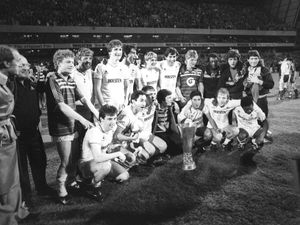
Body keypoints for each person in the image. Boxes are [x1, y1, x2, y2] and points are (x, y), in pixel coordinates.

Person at [45, 49, 98, 205]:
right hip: (61, 125)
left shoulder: (70, 79)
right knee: (66, 160)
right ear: (58, 63)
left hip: (72, 123)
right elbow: (61, 106)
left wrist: (96, 112)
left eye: (72, 61)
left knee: (74, 157)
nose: (72, 64)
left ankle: (71, 181)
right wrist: (82, 119)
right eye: (68, 61)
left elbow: (83, 98)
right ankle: (61, 188)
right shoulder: (53, 78)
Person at [11, 55, 54, 210]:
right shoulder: (10, 84)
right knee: (21, 169)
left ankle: (42, 188)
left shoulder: (31, 82)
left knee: (39, 161)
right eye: (21, 65)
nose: (25, 68)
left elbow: (45, 88)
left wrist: (49, 75)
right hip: (17, 135)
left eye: (26, 65)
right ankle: (26, 197)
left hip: (34, 132)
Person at [0, 45, 30, 225]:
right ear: (5, 62)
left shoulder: (6, 80)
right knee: (4, 179)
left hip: (7, 134)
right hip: (2, 137)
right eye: (17, 60)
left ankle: (13, 212)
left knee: (11, 177)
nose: (20, 64)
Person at [78, 105, 127, 200]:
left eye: (114, 118)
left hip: (102, 161)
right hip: (86, 163)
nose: (113, 122)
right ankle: (91, 186)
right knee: (105, 167)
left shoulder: (110, 128)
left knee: (124, 176)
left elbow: (106, 147)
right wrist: (118, 154)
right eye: (109, 119)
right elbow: (98, 157)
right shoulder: (95, 131)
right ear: (101, 119)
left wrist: (118, 148)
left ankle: (100, 176)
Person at [94, 39, 129, 110]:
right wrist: (103, 105)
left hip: (120, 106)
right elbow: (97, 89)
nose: (118, 52)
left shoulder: (124, 67)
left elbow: (126, 87)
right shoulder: (101, 66)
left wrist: (125, 102)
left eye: (120, 49)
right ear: (110, 52)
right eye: (115, 49)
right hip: (107, 105)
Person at [232, 96, 268, 165]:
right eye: (246, 110)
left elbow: (265, 122)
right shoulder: (236, 106)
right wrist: (234, 126)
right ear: (241, 107)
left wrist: (261, 136)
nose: (249, 111)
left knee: (265, 137)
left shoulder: (257, 109)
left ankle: (252, 142)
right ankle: (242, 143)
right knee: (242, 135)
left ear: (252, 105)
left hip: (254, 128)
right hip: (243, 128)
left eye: (250, 109)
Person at [72, 48, 95, 147]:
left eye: (90, 58)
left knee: (88, 139)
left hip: (88, 109)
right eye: (86, 58)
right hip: (77, 110)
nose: (88, 61)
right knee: (78, 141)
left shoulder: (90, 72)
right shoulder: (72, 74)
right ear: (78, 59)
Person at [243, 50, 274, 117]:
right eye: (251, 59)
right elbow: (242, 85)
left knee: (262, 121)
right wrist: (247, 83)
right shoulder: (245, 70)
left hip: (261, 100)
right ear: (248, 59)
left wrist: (259, 81)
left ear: (259, 59)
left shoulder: (264, 70)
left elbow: (271, 85)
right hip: (249, 100)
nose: (253, 61)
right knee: (249, 122)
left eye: (256, 59)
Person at [153, 89, 181, 156]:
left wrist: (175, 103)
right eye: (169, 98)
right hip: (158, 132)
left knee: (180, 144)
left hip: (167, 130)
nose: (171, 99)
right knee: (169, 144)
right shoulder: (155, 108)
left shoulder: (170, 107)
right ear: (162, 100)